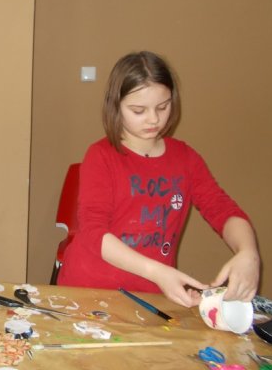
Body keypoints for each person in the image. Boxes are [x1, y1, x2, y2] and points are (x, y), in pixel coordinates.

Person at [59, 51, 260, 307]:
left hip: (149, 296)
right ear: (116, 106)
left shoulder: (185, 159)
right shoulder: (101, 156)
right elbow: (93, 232)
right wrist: (158, 272)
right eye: (138, 110)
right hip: (89, 289)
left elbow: (223, 210)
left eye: (162, 107)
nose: (153, 119)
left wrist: (248, 253)